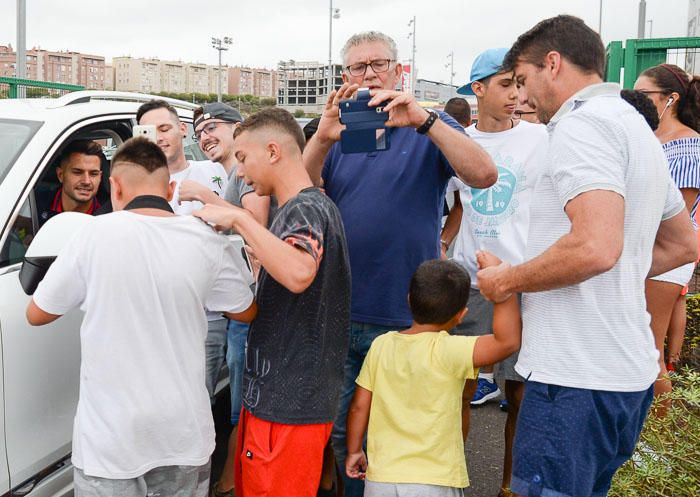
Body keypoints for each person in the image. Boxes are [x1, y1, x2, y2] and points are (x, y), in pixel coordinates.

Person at [477, 15, 697, 497]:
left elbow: (596, 245)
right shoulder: (635, 128)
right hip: (624, 375)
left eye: (523, 79)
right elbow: (683, 244)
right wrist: (620, 264)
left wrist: (509, 279)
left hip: (573, 378)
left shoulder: (581, 127)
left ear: (552, 63)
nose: (521, 96)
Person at [302, 31, 497, 496]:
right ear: (343, 75)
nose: (368, 74)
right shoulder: (338, 129)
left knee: (406, 430)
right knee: (340, 431)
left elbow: (484, 175)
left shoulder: (425, 126)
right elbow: (303, 192)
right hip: (341, 306)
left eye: (378, 64)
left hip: (408, 316)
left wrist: (425, 120)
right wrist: (323, 141)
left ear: (398, 70)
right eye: (356, 67)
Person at [26, 137, 256, 497]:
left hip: (110, 441)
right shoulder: (205, 239)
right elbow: (245, 309)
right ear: (170, 189)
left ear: (114, 187)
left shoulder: (91, 237)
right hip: (183, 434)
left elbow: (37, 313)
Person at [192, 107, 351, 497]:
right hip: (278, 398)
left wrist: (241, 222)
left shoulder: (305, 208)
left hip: (290, 406)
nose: (240, 172)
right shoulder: (298, 209)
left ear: (274, 151)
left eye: (244, 158)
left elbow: (299, 273)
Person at [440, 47, 548, 497]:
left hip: (525, 283)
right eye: (505, 84)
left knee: (521, 396)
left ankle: (509, 486)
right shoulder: (457, 142)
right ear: (478, 89)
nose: (515, 94)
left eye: (520, 83)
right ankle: (450, 481)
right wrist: (443, 248)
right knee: (458, 390)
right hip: (470, 282)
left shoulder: (541, 139)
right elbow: (457, 208)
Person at [345, 256, 521, 497]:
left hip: (382, 478)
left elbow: (358, 407)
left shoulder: (381, 346)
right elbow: (507, 341)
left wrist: (355, 450)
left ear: (409, 300)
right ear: (461, 315)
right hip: (435, 480)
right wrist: (502, 283)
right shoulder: (453, 350)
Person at [186, 102, 274, 497]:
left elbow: (255, 226)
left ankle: (234, 478)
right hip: (235, 298)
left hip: (253, 300)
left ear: (239, 128)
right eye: (199, 130)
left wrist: (207, 199)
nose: (205, 135)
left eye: (213, 127)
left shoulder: (245, 172)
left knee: (244, 395)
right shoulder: (232, 174)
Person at [137, 99, 233, 409]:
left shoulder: (215, 168)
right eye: (150, 132)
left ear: (182, 130)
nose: (159, 138)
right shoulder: (133, 185)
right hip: (157, 318)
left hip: (210, 316)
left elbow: (245, 219)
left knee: (197, 409)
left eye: (165, 128)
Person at [635, 64, 700, 398]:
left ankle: (656, 442)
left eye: (643, 94)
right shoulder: (648, 138)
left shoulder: (688, 145)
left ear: (670, 99)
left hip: (667, 253)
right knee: (637, 345)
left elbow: (680, 213)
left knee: (650, 348)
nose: (635, 100)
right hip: (643, 248)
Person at [36, 140, 104, 225]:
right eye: (77, 172)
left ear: (100, 177)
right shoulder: (34, 204)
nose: (86, 181)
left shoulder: (109, 217)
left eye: (93, 174)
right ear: (60, 175)